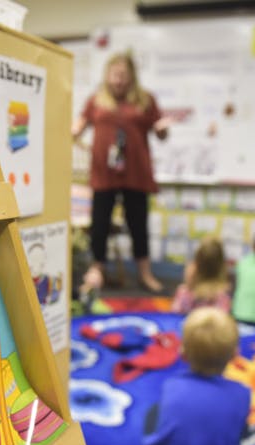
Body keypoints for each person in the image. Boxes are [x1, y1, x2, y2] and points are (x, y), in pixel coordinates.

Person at [72, 51, 170, 293]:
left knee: (138, 224)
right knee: (100, 224)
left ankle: (145, 274)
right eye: (115, 75)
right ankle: (97, 271)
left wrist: (162, 130)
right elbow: (78, 127)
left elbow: (161, 132)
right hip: (104, 174)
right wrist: (70, 131)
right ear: (107, 75)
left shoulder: (145, 100)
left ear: (132, 77)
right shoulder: (96, 100)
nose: (119, 80)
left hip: (135, 173)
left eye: (123, 75)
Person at [143, 307, 250, 445]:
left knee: (154, 412)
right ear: (235, 354)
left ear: (183, 353)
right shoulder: (242, 395)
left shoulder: (171, 385)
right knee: (243, 431)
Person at [171, 236, 232, 314]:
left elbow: (174, 318)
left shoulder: (184, 294)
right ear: (222, 266)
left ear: (196, 264)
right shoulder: (223, 298)